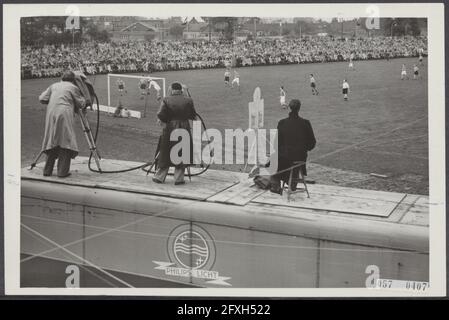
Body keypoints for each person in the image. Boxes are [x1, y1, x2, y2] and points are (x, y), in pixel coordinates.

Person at [39, 70, 86, 178]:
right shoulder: (73, 87)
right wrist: (83, 98)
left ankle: (47, 171)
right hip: (64, 114)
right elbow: (81, 103)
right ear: (73, 80)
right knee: (65, 141)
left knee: (52, 139)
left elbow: (42, 98)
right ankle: (62, 172)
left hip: (51, 114)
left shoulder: (54, 85)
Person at [153, 82, 197, 185]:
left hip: (170, 128)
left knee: (166, 151)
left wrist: (166, 120)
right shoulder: (188, 100)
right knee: (182, 153)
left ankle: (159, 177)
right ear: (181, 90)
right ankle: (178, 179)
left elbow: (160, 114)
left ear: (172, 90)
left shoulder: (166, 99)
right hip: (184, 128)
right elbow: (193, 115)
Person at [270, 99, 316, 194]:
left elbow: (276, 143)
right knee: (284, 159)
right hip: (300, 156)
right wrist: (303, 149)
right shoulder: (305, 123)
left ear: (289, 108)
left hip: (285, 157)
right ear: (299, 108)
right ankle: (292, 182)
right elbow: (312, 142)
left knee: (274, 160)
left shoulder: (282, 123)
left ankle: (277, 184)